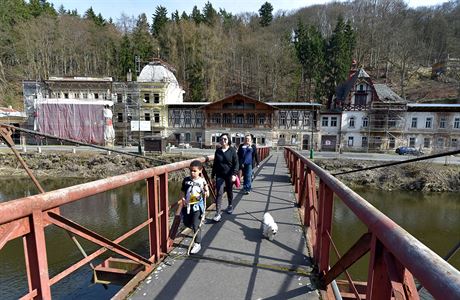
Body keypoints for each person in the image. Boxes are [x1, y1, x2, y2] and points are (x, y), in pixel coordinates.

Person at [180, 160, 209, 254]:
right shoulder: (186, 180)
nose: (192, 173)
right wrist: (183, 199)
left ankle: (197, 243)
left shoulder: (202, 181)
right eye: (191, 171)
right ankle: (194, 227)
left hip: (197, 206)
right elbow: (182, 191)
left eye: (195, 171)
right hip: (187, 205)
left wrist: (205, 192)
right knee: (187, 222)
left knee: (196, 225)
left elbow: (207, 194)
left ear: (200, 171)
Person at [211, 133, 239, 221]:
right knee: (219, 193)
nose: (223, 141)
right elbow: (215, 164)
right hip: (219, 175)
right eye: (221, 139)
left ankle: (230, 205)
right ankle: (218, 213)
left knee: (229, 190)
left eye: (225, 139)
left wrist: (234, 174)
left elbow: (236, 163)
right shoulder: (218, 151)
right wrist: (212, 175)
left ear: (228, 140)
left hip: (229, 175)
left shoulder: (232, 150)